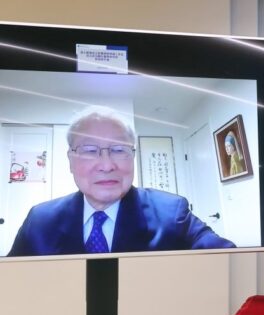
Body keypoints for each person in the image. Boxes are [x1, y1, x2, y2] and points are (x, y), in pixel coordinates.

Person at [8, 106, 235, 256]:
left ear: (133, 156)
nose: (107, 165)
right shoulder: (39, 221)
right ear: (71, 160)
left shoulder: (171, 212)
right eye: (90, 150)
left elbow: (227, 260)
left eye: (119, 150)